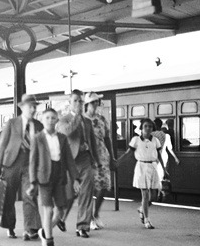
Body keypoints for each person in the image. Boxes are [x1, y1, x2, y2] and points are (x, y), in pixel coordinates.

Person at [28, 108, 78, 246]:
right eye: (47, 118)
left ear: (57, 121)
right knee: (48, 211)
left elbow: (69, 159)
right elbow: (32, 162)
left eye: (53, 118)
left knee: (60, 211)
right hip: (44, 178)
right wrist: (32, 182)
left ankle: (44, 231)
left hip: (59, 176)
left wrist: (75, 178)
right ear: (42, 120)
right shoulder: (37, 138)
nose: (50, 120)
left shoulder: (62, 138)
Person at [0, 93, 43, 240]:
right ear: (22, 107)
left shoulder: (38, 125)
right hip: (11, 164)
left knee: (30, 194)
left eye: (34, 106)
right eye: (30, 106)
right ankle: (9, 226)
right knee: (9, 197)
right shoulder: (12, 123)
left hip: (29, 165)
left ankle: (30, 228)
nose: (33, 109)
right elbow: (2, 146)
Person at [56, 90, 99, 238]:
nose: (78, 104)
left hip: (85, 159)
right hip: (69, 162)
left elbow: (92, 141)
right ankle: (60, 217)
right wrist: (77, 117)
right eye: (75, 101)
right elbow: (67, 132)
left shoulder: (87, 122)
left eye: (81, 101)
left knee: (86, 193)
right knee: (69, 194)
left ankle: (82, 226)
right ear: (70, 103)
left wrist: (96, 161)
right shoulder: (64, 119)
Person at [118, 118, 168, 229]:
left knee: (153, 196)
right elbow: (128, 154)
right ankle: (147, 220)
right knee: (145, 194)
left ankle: (142, 209)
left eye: (150, 127)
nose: (148, 128)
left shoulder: (155, 140)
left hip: (153, 167)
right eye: (146, 126)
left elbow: (159, 155)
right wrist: (118, 162)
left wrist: (164, 169)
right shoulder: (136, 140)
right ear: (141, 128)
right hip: (141, 167)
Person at [83, 92, 116, 231]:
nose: (95, 104)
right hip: (86, 156)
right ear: (87, 104)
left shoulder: (102, 119)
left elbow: (107, 138)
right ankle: (89, 218)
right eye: (93, 102)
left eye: (97, 102)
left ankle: (96, 214)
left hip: (102, 155)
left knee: (104, 186)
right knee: (89, 188)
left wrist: (112, 156)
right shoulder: (81, 119)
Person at [153, 118, 180, 201]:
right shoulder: (166, 136)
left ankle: (157, 194)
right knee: (161, 176)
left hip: (153, 157)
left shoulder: (151, 135)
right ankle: (160, 194)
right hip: (164, 157)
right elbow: (170, 149)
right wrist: (176, 158)